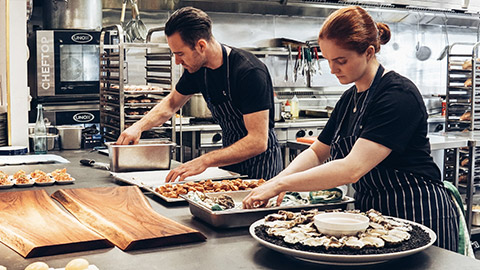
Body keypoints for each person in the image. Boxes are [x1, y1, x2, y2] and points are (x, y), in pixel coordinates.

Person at [243, 6, 459, 251]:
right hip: (375, 217)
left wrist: (282, 185)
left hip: (419, 211)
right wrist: (276, 181)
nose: (333, 69)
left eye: (341, 61)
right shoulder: (349, 99)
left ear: (368, 52)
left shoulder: (397, 94)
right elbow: (317, 152)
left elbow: (352, 169)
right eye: (328, 61)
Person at [116, 7, 283, 182]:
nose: (177, 61)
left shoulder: (248, 71)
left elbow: (257, 141)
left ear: (201, 46)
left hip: (261, 168)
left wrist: (205, 160)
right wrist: (138, 127)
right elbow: (172, 103)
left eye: (180, 54)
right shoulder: (198, 70)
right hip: (229, 164)